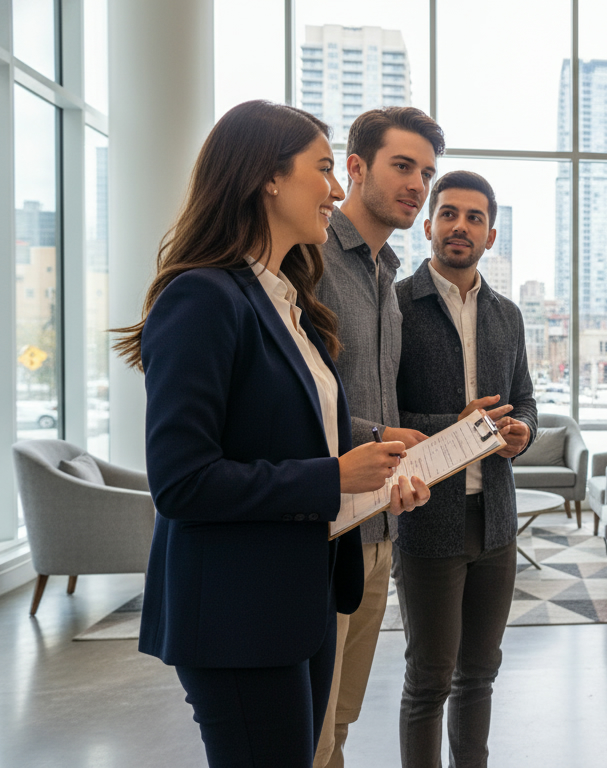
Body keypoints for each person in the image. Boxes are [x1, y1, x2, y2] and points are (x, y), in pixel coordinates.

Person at [114, 100, 430, 767]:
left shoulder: (290, 303)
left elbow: (297, 448)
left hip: (299, 600)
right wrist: (335, 476)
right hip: (237, 615)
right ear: (268, 177)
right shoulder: (202, 297)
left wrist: (375, 483)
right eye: (324, 168)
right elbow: (182, 482)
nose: (337, 190)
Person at [311, 106, 443, 768]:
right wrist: (378, 435)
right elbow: (300, 403)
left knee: (341, 718)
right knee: (311, 728)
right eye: (402, 166)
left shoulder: (386, 273)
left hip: (380, 525)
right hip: (324, 526)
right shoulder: (309, 260)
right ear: (355, 168)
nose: (417, 184)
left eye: (426, 173)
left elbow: (379, 399)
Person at [394, 170, 536, 768]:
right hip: (427, 520)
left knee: (480, 674)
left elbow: (525, 399)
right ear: (428, 225)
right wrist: (453, 428)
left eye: (474, 217)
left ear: (491, 235)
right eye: (449, 214)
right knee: (430, 679)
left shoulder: (508, 315)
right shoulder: (396, 306)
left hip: (496, 521)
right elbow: (380, 417)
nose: (460, 226)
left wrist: (521, 432)